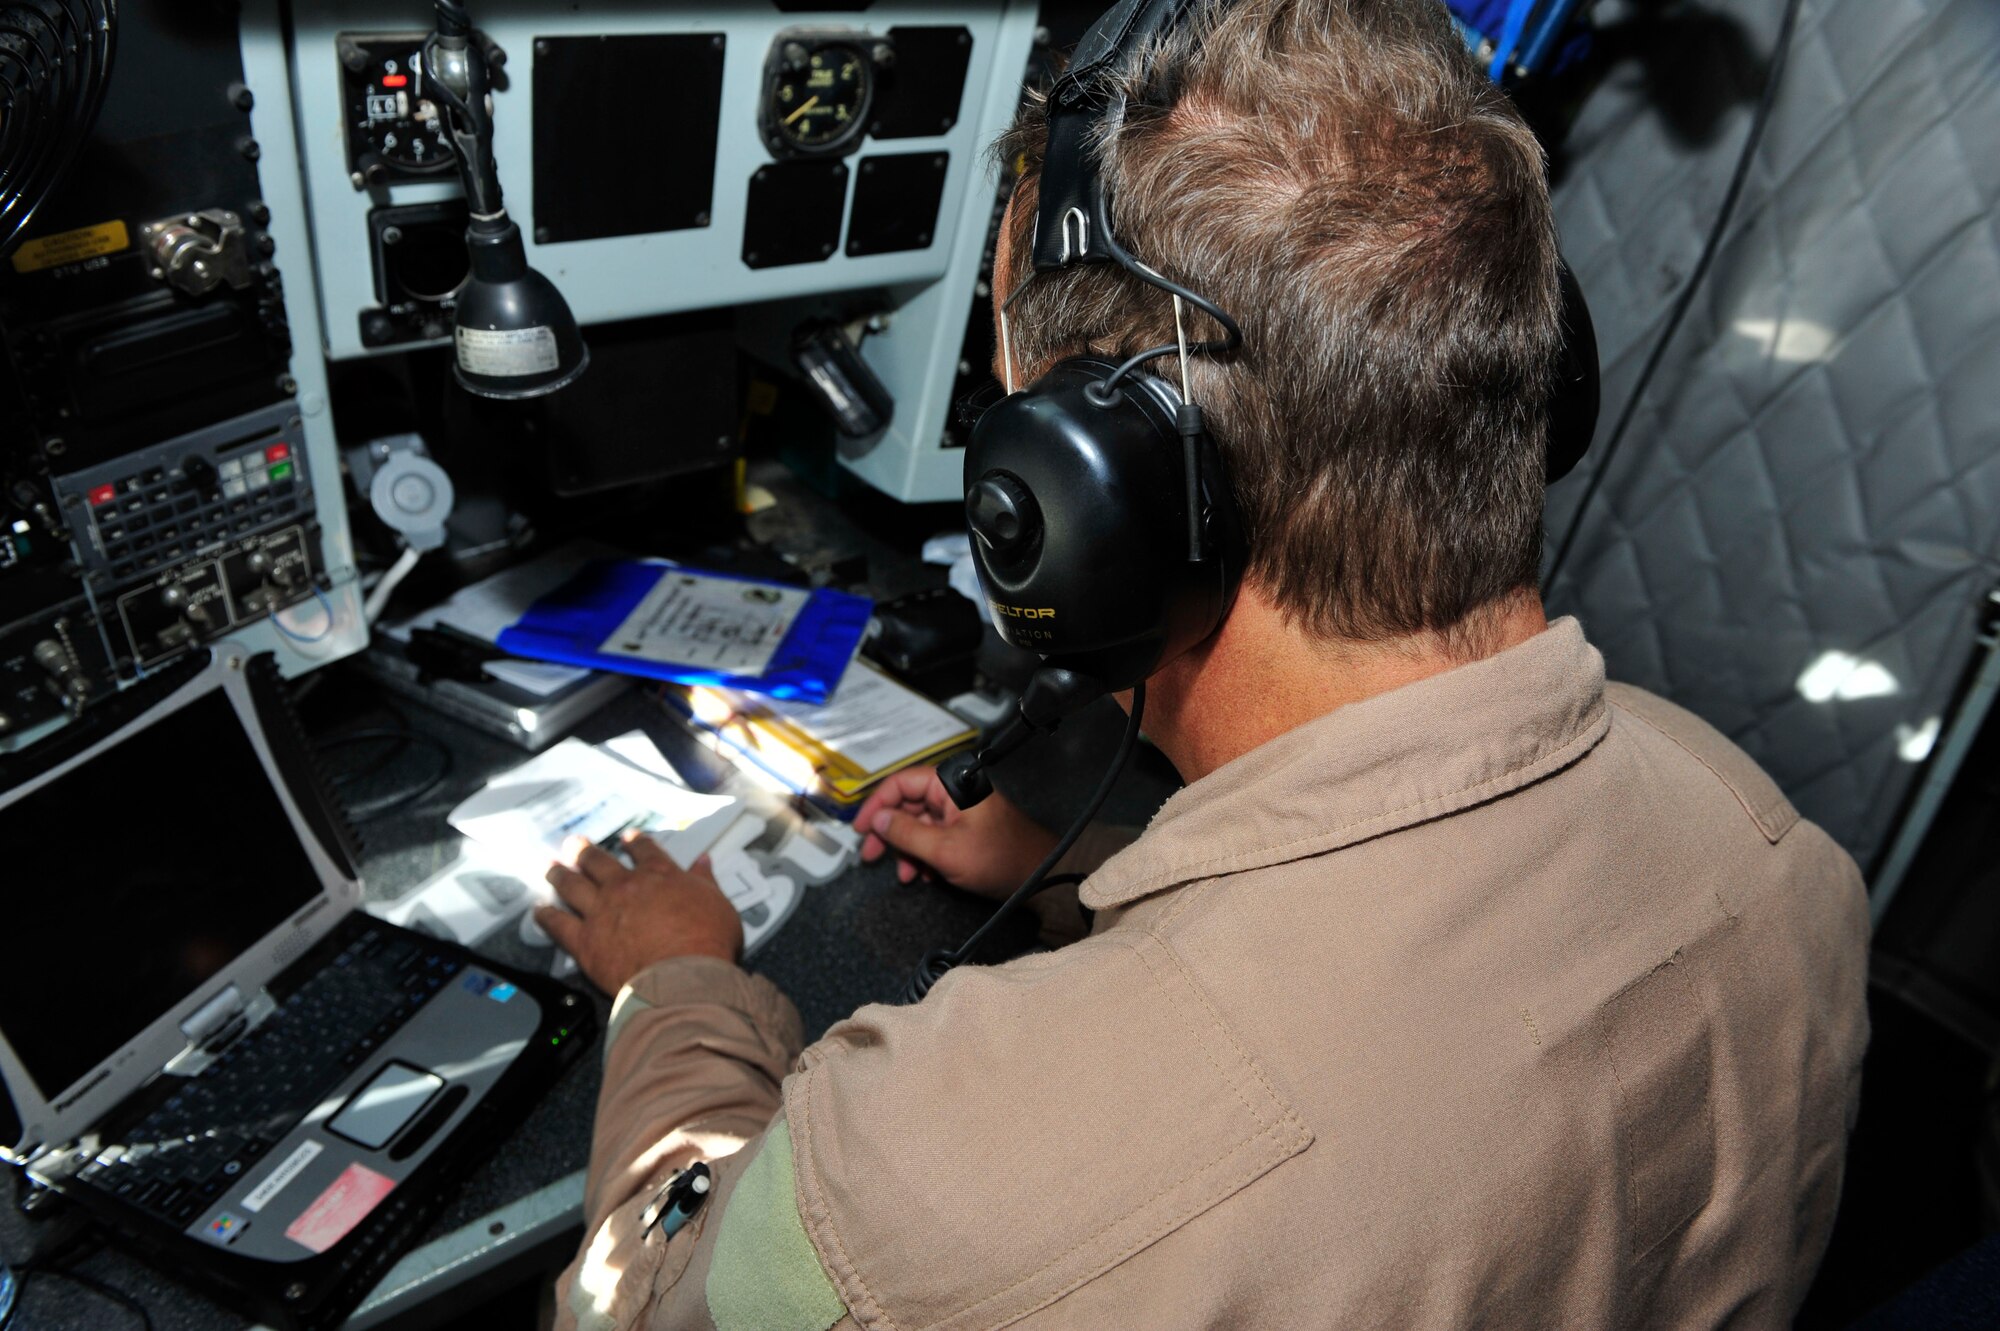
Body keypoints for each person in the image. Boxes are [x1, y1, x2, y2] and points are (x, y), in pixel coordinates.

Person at [536, 2, 1870, 1326]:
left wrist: (680, 991)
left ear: (1083, 505)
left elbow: (641, 1309)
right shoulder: (1764, 839)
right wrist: (1082, 869)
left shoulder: (938, 1174)